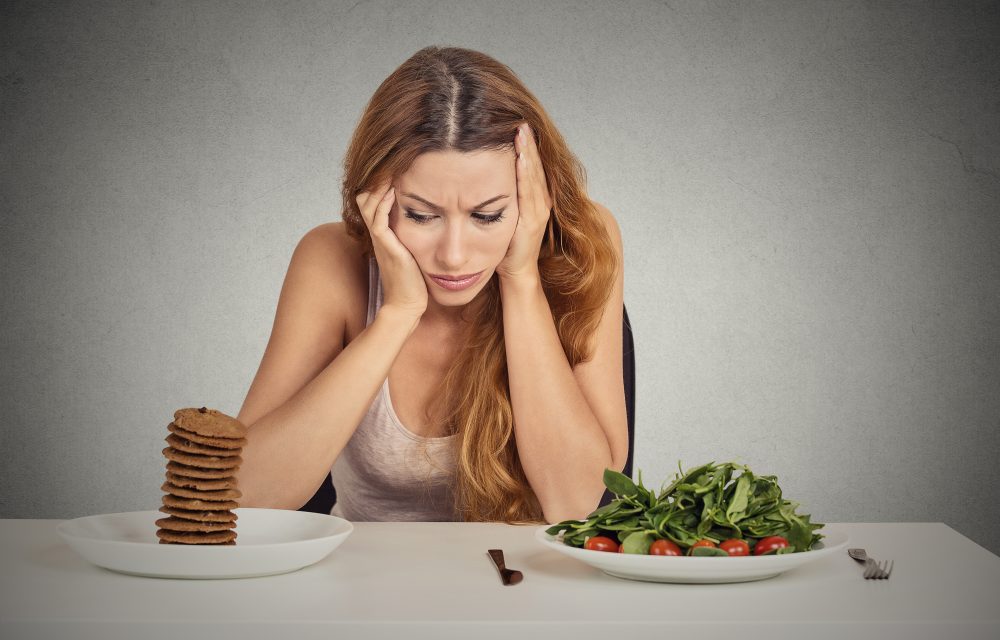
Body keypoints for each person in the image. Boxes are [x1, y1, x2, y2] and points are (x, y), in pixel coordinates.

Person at [234, 46, 627, 524]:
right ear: (375, 195)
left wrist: (520, 280)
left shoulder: (584, 242)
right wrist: (397, 313)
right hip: (364, 589)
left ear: (534, 199)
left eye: (488, 215)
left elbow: (577, 502)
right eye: (421, 215)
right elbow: (245, 494)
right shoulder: (330, 259)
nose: (454, 255)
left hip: (528, 588)